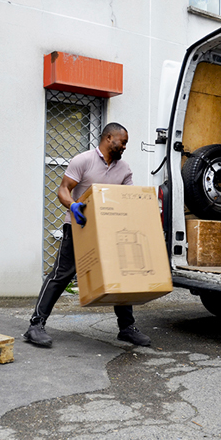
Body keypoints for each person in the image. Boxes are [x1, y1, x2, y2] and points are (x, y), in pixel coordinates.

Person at [23, 122, 152, 348]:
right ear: (109, 138)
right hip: (79, 227)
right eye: (123, 142)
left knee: (120, 273)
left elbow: (128, 198)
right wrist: (72, 205)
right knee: (62, 274)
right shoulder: (83, 160)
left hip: (110, 229)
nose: (125, 147)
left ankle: (126, 328)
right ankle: (35, 325)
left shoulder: (124, 169)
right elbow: (63, 189)